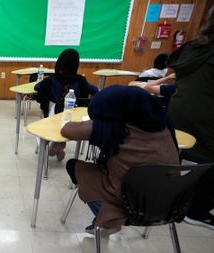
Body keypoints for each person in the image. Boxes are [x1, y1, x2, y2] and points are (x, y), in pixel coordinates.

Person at [62, 85, 179, 234]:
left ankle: (108, 218)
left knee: (74, 166)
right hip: (168, 203)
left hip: (132, 202)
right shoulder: (164, 125)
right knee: (104, 163)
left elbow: (67, 130)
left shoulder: (115, 128)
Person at [167, 6, 214, 230]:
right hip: (203, 118)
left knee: (178, 154)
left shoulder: (196, 47)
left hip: (177, 113)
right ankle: (197, 211)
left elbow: (181, 81)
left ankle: (173, 197)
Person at [34, 49, 98, 161]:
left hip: (53, 114)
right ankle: (59, 145)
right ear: (76, 65)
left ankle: (55, 145)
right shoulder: (81, 81)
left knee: (50, 121)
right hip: (75, 116)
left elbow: (37, 87)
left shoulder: (52, 79)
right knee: (64, 123)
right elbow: (96, 91)